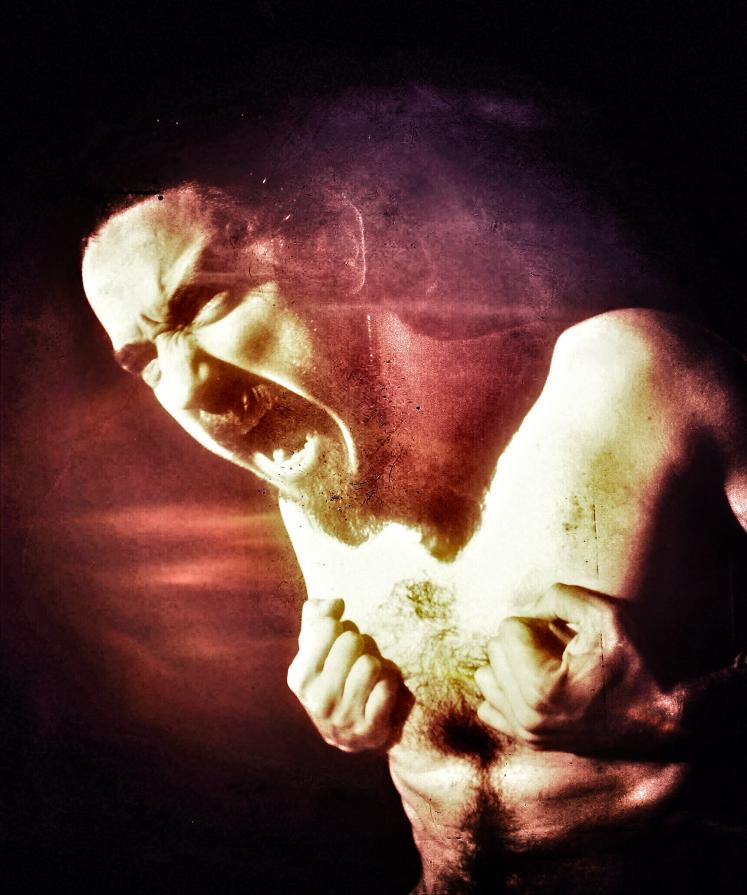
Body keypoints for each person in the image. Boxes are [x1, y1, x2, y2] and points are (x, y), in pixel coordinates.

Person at [81, 94, 746, 893]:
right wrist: (347, 726)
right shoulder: (315, 482)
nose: (187, 387)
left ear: (333, 253)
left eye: (203, 302)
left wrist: (674, 717)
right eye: (146, 360)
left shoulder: (639, 375)